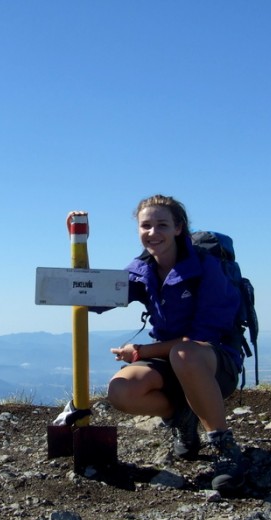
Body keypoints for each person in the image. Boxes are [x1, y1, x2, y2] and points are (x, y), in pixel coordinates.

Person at [67, 195, 246, 493]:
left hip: (214, 365)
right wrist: (77, 240)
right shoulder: (142, 270)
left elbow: (203, 338)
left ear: (179, 228)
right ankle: (183, 418)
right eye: (145, 225)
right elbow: (93, 298)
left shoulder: (207, 268)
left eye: (161, 225)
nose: (152, 232)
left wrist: (140, 352)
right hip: (171, 361)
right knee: (121, 391)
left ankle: (225, 448)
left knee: (185, 353)